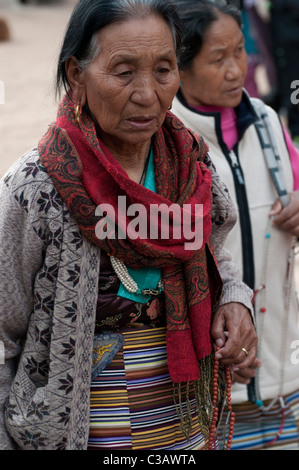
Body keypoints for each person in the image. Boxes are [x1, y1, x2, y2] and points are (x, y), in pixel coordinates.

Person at [0, 0, 257, 451]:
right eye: (123, 72)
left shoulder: (193, 167)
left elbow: (219, 257)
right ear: (77, 76)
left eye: (163, 70)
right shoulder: (36, 187)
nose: (147, 93)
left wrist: (236, 302)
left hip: (188, 432)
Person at [172, 0, 299, 450]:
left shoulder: (267, 123)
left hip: (286, 379)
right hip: (208, 401)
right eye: (217, 58)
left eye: (240, 52)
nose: (235, 71)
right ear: (179, 70)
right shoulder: (166, 143)